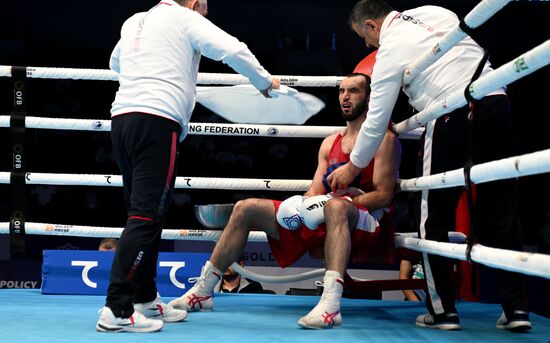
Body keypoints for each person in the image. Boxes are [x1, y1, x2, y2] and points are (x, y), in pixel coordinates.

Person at [328, 0, 530, 332]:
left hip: (451, 113)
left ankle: (442, 311)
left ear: (370, 26)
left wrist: (353, 166)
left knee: (434, 218)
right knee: (502, 210)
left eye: (363, 37)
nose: (367, 46)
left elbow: (376, 120)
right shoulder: (436, 11)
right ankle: (516, 310)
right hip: (497, 101)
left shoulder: (389, 52)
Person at [96, 0, 280, 333]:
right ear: (194, 3)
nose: (207, 13)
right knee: (145, 215)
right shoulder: (184, 17)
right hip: (156, 120)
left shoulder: (135, 20)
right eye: (206, 7)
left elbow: (115, 61)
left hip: (123, 120)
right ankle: (116, 308)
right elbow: (232, 49)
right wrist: (264, 82)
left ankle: (144, 299)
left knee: (148, 213)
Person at [169, 73, 402, 329]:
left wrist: (344, 200)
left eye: (354, 91)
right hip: (328, 215)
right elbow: (315, 191)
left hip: (366, 224)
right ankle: (203, 290)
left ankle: (331, 306)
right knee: (246, 207)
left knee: (336, 206)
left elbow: (384, 196)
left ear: (369, 98)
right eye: (341, 91)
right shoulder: (329, 143)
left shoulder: (384, 140)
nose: (345, 97)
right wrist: (301, 205)